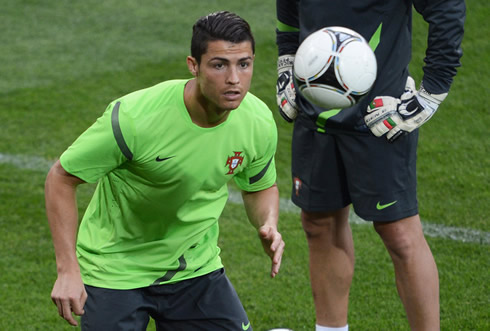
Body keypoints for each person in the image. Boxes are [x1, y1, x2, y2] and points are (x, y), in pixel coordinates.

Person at [45, 10, 284, 330]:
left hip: (194, 268)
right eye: (219, 65)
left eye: (244, 64)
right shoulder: (135, 119)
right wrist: (67, 270)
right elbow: (61, 177)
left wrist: (267, 223)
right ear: (193, 65)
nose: (234, 79)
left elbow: (259, 186)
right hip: (116, 269)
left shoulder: (257, 121)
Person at [275, 0, 465, 330]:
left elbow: (446, 8)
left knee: (399, 234)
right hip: (314, 103)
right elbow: (290, 7)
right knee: (318, 221)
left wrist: (432, 91)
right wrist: (287, 58)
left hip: (379, 115)